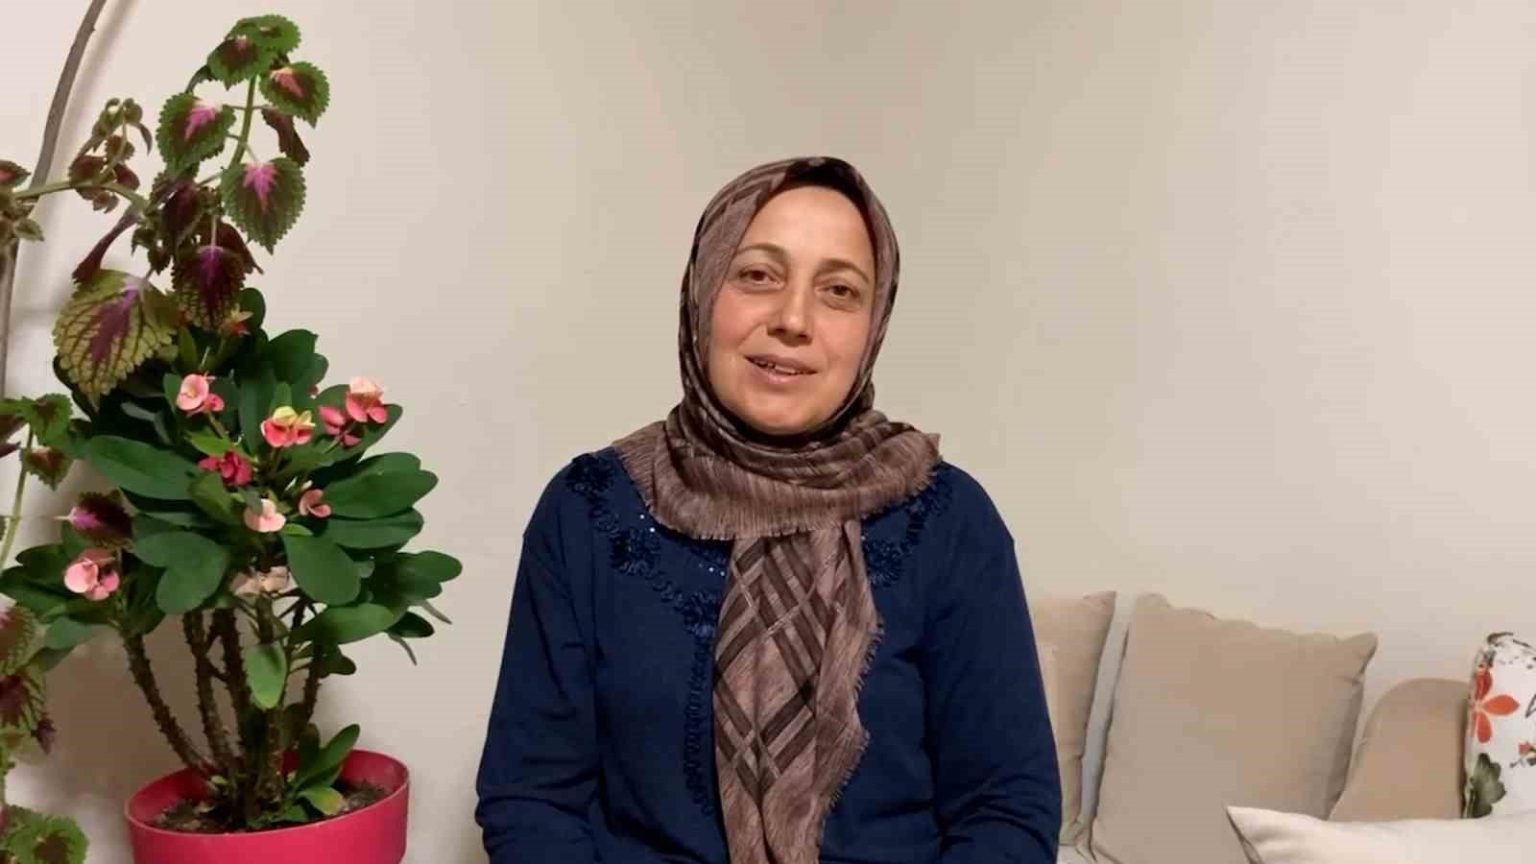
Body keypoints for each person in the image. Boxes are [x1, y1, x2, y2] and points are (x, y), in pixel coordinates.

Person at [476, 157, 1060, 864]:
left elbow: (1007, 812)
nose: (792, 320)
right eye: (757, 275)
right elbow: (532, 799)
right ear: (702, 291)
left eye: (839, 291)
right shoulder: (590, 509)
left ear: (874, 324)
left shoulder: (947, 519)